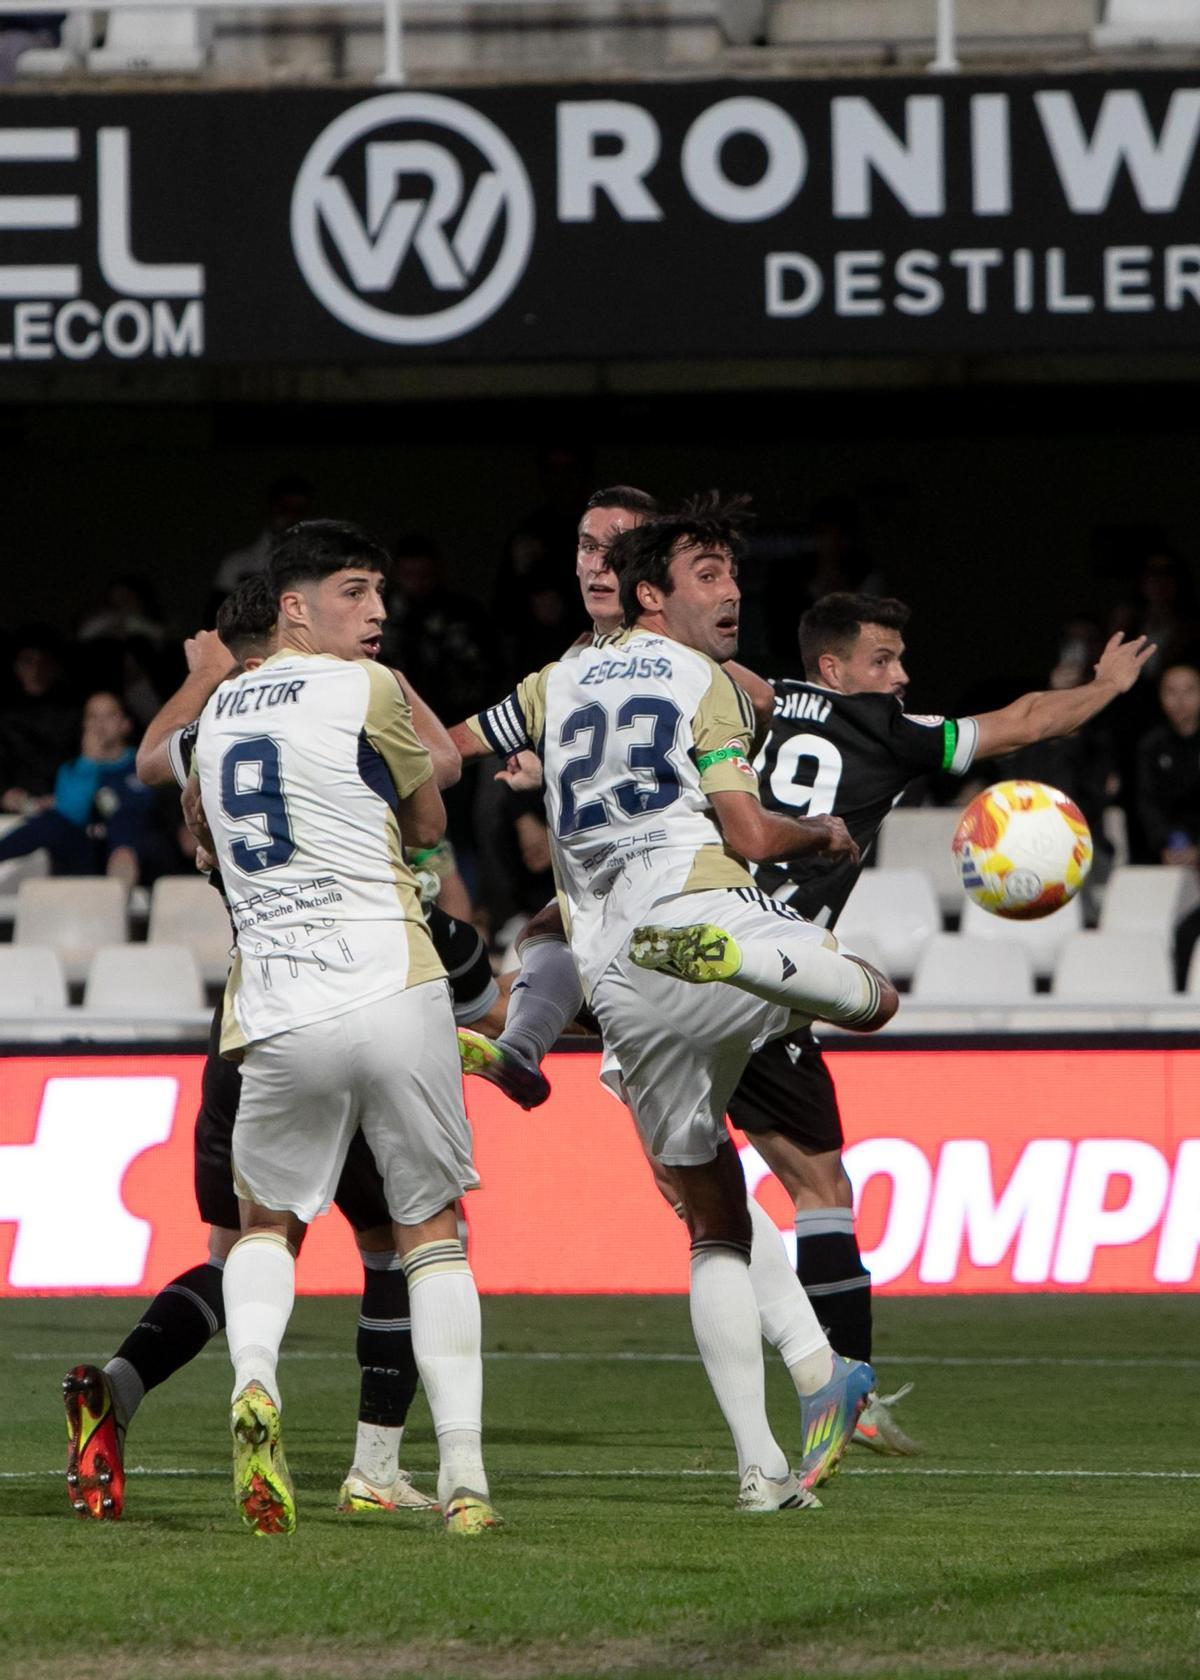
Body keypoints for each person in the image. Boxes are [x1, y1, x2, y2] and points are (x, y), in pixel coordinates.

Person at [453, 495, 900, 1512]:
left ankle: (767, 1458)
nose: (733, 590)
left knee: (708, 1217)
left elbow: (442, 753)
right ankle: (775, 975)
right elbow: (746, 823)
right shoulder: (703, 678)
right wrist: (821, 831)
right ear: (656, 587)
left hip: (618, 982)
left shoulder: (552, 681)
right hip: (710, 914)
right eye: (711, 575)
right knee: (875, 995)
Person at [62, 577, 502, 1525]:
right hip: (364, 986)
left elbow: (148, 760)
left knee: (247, 1247)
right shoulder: (342, 704)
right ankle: (379, 1464)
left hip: (254, 1021)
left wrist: (201, 678)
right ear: (296, 623)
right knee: (400, 1242)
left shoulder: (214, 724)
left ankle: (124, 1386)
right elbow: (438, 783)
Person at [708, 592, 1154, 1399]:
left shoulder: (759, 696)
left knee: (748, 1182)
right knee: (806, 1187)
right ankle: (843, 1389)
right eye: (884, 661)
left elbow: (693, 664)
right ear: (836, 668)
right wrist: (1108, 687)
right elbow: (1023, 722)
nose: (902, 676)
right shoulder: (892, 732)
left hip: (706, 932)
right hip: (776, 967)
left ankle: (517, 1017)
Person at [193, 521, 498, 1537]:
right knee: (430, 1234)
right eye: (356, 593)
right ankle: (462, 1479)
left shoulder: (218, 710)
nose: (377, 612)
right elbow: (430, 825)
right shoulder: (369, 689)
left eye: (379, 595)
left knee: (266, 1223)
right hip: (387, 977)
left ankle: (254, 1382)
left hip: (274, 1001)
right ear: (294, 606)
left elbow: (202, 839)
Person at [0, 689, 161, 886]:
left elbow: (147, 809)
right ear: (84, 724)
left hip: (135, 850)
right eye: (93, 717)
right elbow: (71, 814)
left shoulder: (142, 763)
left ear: (125, 724)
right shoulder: (73, 769)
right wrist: (89, 762)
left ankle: (114, 902)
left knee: (124, 820)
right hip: (84, 852)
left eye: (109, 716)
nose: (100, 724)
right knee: (51, 822)